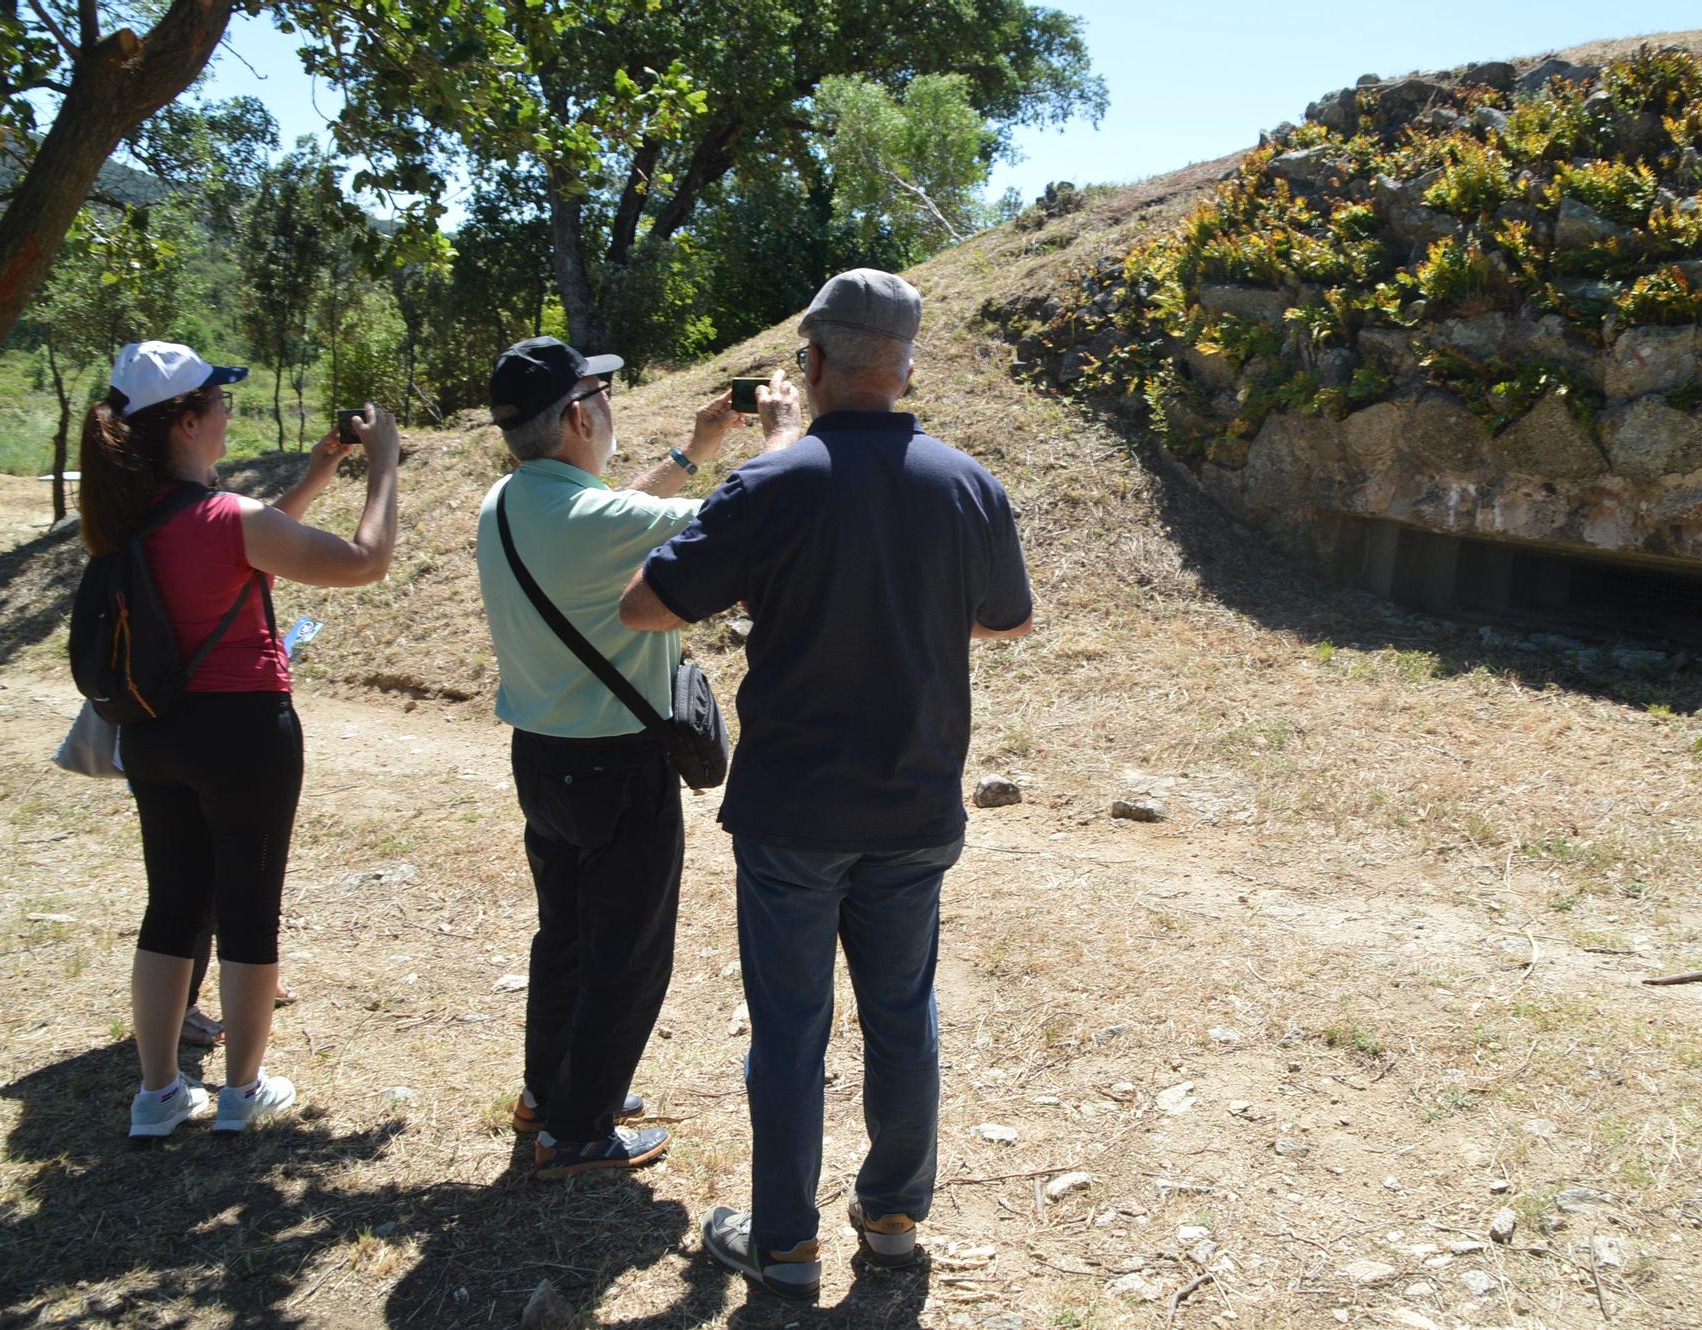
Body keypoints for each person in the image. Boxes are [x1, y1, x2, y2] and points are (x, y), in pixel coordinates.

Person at [619, 269, 1035, 1301]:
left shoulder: (777, 479)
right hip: (916, 802)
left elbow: (644, 607)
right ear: (905, 367)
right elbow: (1009, 618)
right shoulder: (964, 481)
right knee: (902, 1010)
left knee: (791, 1026)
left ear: (810, 362)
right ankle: (890, 1217)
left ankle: (785, 1245)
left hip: (792, 812)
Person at [475, 337, 802, 1179]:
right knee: (628, 952)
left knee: (568, 937)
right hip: (618, 770)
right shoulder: (595, 521)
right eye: (605, 395)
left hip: (543, 761)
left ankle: (548, 1093)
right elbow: (754, 514)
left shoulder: (506, 503)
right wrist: (781, 436)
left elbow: (615, 520)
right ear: (582, 414)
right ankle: (579, 1129)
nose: (612, 410)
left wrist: (693, 449)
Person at [85, 341, 400, 1138]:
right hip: (244, 734)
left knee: (173, 908)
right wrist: (385, 464)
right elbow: (365, 562)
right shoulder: (228, 519)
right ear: (188, 422)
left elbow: (245, 548)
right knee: (250, 913)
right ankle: (242, 1090)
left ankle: (157, 1096)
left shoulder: (131, 521)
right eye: (220, 403)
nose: (231, 414)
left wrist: (321, 470)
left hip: (153, 735)